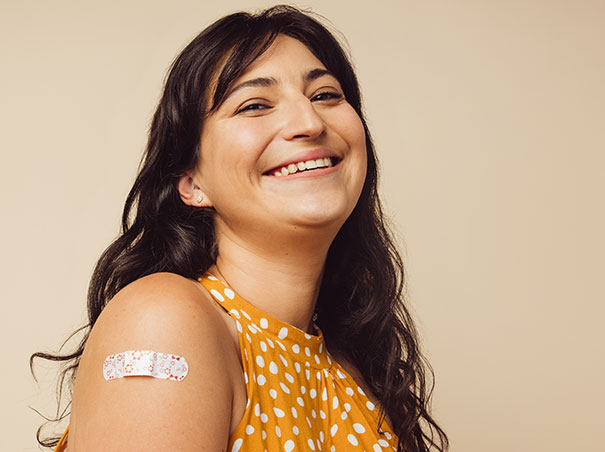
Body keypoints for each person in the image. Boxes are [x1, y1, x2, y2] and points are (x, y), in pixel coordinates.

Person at [31, 5, 448, 452]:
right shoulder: (161, 322)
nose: (310, 122)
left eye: (326, 95)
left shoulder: (352, 370)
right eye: (254, 105)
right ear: (192, 183)